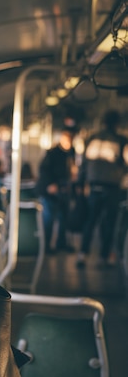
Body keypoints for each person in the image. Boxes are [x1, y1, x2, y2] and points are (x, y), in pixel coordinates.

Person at [76, 110, 128, 269]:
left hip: (93, 186)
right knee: (109, 223)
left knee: (90, 221)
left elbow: (83, 164)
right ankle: (104, 257)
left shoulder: (92, 139)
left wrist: (81, 183)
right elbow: (125, 164)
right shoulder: (121, 141)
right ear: (117, 124)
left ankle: (82, 255)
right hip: (112, 187)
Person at [35, 125, 78, 253]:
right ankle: (46, 246)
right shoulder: (53, 153)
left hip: (64, 189)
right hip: (50, 191)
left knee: (64, 217)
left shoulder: (71, 153)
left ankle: (61, 243)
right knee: (49, 219)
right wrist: (50, 185)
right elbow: (43, 170)